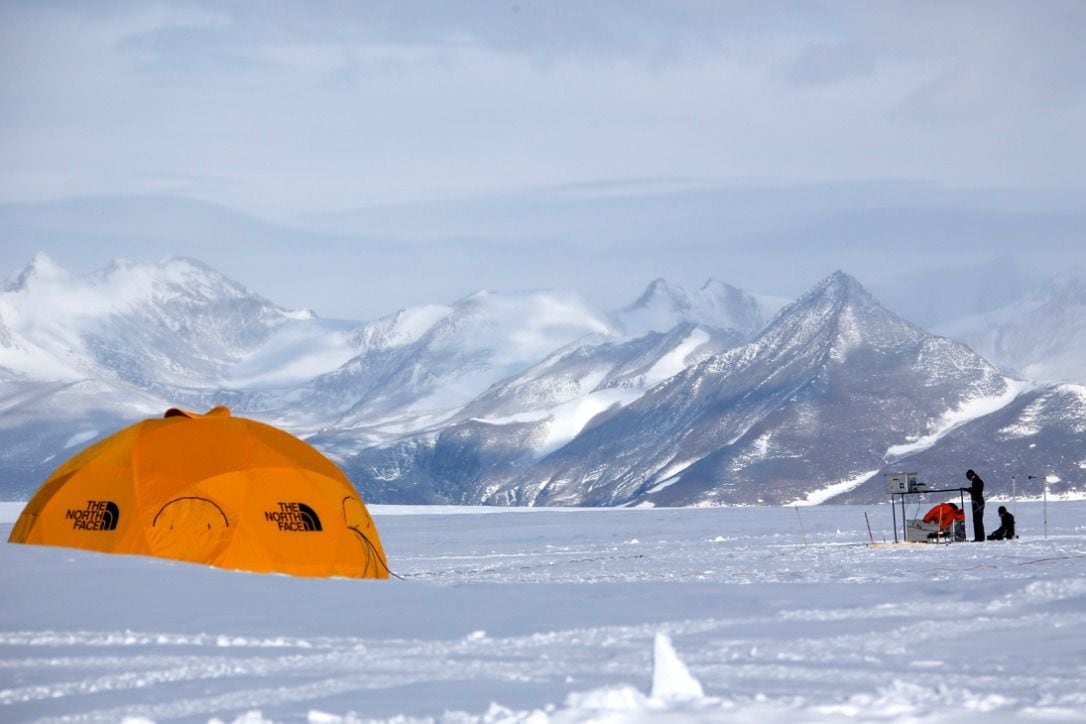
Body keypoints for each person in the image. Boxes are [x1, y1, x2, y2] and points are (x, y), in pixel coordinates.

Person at [962, 469, 986, 542]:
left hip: (978, 503)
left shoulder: (976, 481)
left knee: (977, 521)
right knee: (978, 521)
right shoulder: (977, 481)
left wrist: (968, 490)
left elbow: (976, 492)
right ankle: (980, 537)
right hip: (978, 502)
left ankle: (979, 538)